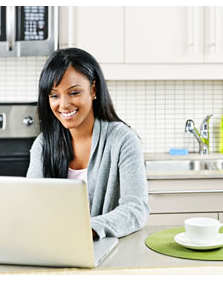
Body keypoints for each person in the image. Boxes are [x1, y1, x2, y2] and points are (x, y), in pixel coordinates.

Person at [26, 47, 150, 239]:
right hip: (53, 246)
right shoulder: (42, 145)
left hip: (106, 250)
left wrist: (87, 229)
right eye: (54, 95)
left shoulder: (123, 140)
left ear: (93, 90)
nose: (64, 104)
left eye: (74, 92)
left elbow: (136, 209)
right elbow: (31, 206)